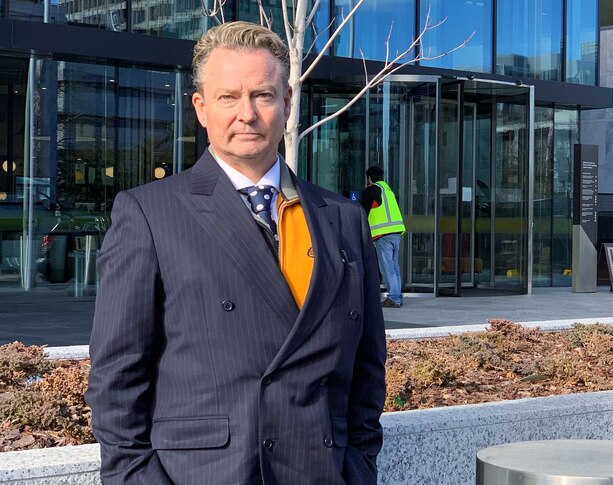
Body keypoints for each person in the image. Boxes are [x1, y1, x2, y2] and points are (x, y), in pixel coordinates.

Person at [85, 21, 386, 485]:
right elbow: (116, 380)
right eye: (228, 97)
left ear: (287, 103)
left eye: (263, 95)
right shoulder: (149, 213)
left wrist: (359, 466)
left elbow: (368, 367)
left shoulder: (343, 218)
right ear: (201, 108)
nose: (246, 113)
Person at [360, 165, 405, 308]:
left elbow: (361, 211)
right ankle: (397, 296)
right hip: (396, 232)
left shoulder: (372, 190)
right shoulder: (388, 191)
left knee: (387, 268)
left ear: (369, 178)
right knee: (394, 267)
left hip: (384, 235)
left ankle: (394, 298)